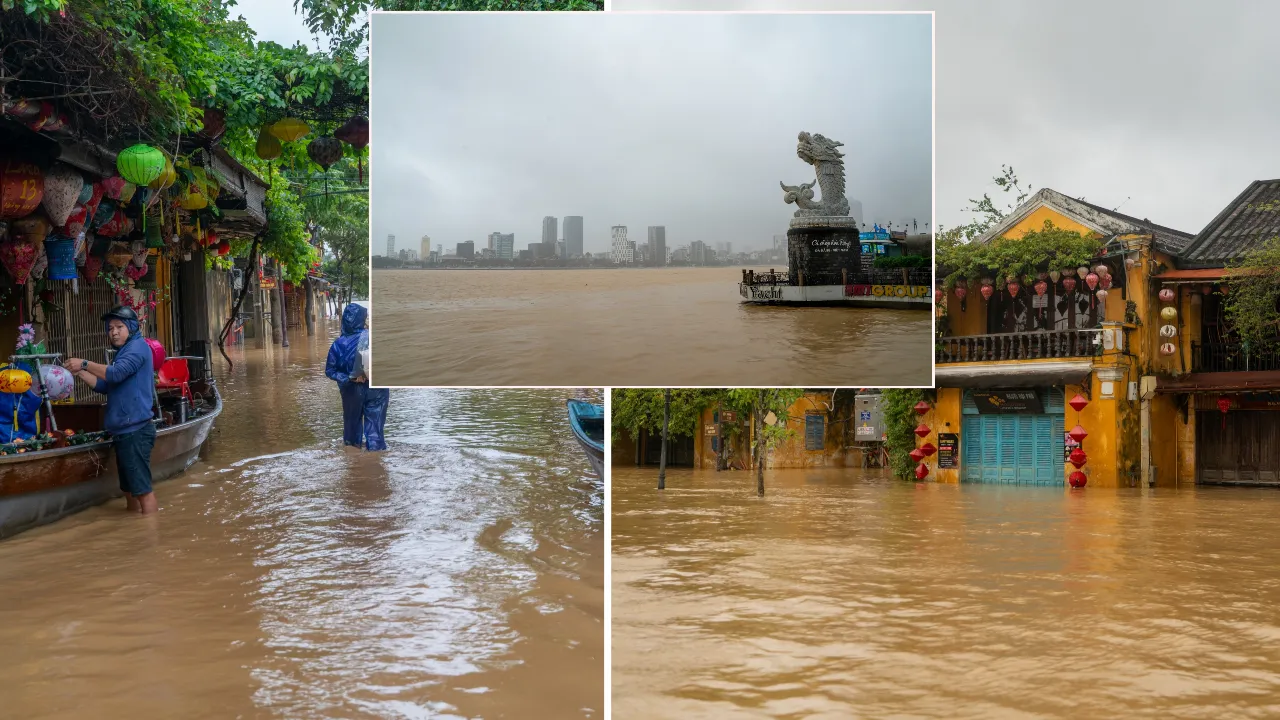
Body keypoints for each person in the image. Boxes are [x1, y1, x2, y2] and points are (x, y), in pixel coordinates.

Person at [63, 306, 158, 514]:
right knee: (129, 489)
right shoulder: (124, 352)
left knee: (142, 490)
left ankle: (152, 538)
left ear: (131, 328)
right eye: (110, 328)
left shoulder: (138, 348)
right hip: (124, 431)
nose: (113, 332)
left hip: (136, 430)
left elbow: (115, 374)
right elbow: (105, 386)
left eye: (119, 327)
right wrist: (80, 372)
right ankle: (136, 529)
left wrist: (85, 363)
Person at [326, 303, 389, 451]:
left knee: (351, 428)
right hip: (377, 390)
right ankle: (376, 461)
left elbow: (330, 370)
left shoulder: (338, 344)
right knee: (375, 429)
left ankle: (352, 460)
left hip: (351, 390)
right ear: (362, 319)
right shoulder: (374, 338)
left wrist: (349, 378)